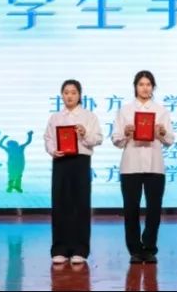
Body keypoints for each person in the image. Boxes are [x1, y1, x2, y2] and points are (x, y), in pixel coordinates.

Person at [112, 70, 173, 264]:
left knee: (154, 209)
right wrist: (126, 133)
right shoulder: (125, 110)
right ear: (135, 87)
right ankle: (134, 250)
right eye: (141, 84)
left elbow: (170, 140)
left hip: (155, 166)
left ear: (153, 87)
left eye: (148, 84)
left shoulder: (161, 111)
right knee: (131, 209)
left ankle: (149, 248)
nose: (145, 88)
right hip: (131, 165)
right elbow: (116, 140)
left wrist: (162, 132)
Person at [44, 79, 103, 264]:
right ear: (62, 95)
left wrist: (84, 133)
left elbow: (98, 139)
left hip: (80, 161)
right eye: (66, 92)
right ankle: (59, 248)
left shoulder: (89, 116)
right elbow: (48, 138)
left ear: (79, 95)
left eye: (73, 92)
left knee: (80, 204)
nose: (69, 96)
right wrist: (53, 150)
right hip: (61, 161)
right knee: (60, 204)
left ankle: (80, 249)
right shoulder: (55, 117)